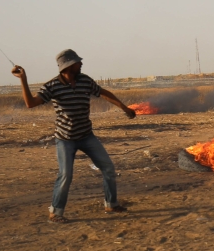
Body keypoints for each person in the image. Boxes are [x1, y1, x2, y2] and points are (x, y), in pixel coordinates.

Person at [12, 49, 136, 223]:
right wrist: (23, 80)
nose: (82, 64)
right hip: (65, 139)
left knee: (108, 167)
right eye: (78, 62)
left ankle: (111, 204)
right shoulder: (52, 86)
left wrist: (124, 107)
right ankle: (55, 213)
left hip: (86, 135)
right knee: (65, 175)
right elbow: (30, 103)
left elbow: (103, 93)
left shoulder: (84, 81)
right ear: (69, 66)